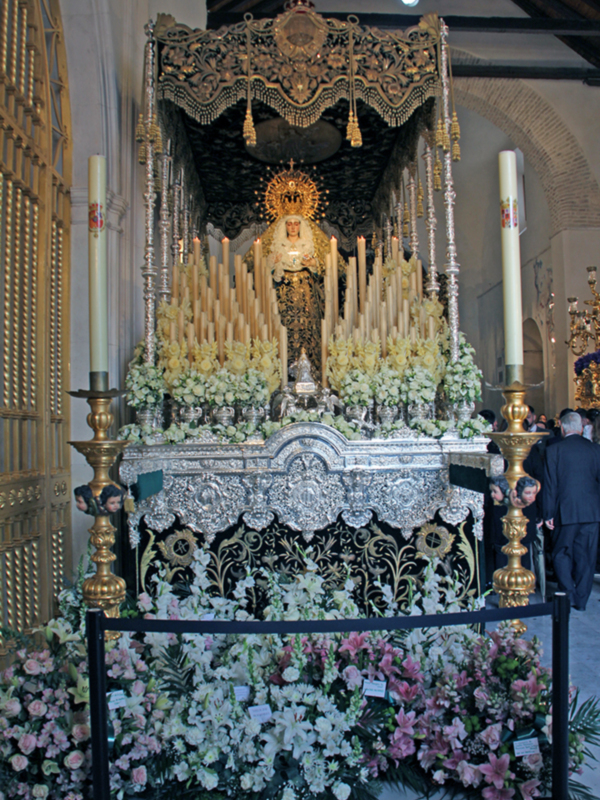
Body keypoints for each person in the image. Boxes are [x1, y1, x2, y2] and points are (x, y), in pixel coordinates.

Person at [542, 411, 600, 610]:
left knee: (561, 553)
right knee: (587, 556)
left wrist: (547, 513)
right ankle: (582, 600)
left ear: (561, 426)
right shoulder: (595, 450)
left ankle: (567, 594)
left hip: (564, 511)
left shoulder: (554, 450)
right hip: (592, 512)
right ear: (582, 427)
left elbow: (550, 485)